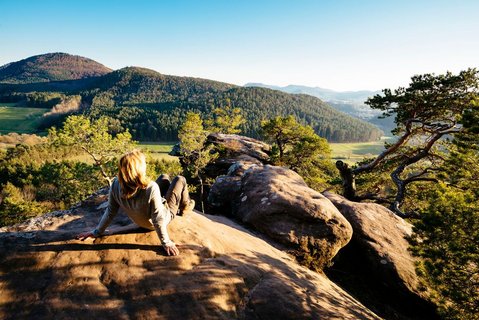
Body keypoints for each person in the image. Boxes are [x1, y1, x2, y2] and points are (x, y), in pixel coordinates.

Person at [77, 150, 195, 256]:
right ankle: (185, 206)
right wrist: (166, 242)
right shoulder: (150, 187)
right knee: (180, 179)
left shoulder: (116, 184)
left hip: (141, 219)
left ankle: (164, 199)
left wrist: (97, 232)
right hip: (161, 219)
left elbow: (110, 212)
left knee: (164, 178)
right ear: (138, 169)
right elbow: (158, 220)